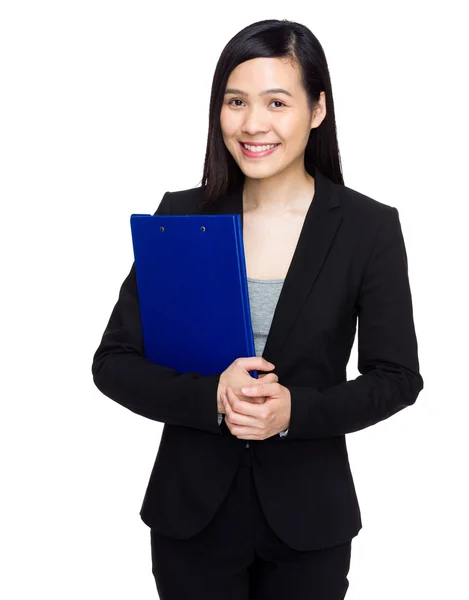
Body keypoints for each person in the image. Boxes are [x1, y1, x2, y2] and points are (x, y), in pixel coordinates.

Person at [91, 18, 423, 599]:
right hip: (191, 517)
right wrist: (210, 398)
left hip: (309, 524)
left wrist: (295, 411)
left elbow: (396, 378)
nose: (252, 124)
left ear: (317, 109)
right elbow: (114, 361)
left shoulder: (367, 227)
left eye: (277, 101)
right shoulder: (183, 214)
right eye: (236, 102)